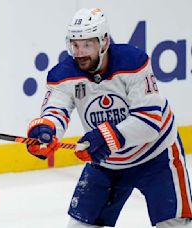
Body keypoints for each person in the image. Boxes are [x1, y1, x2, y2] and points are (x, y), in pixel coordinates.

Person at [26, 7, 192, 228]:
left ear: (104, 41)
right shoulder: (63, 74)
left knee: (175, 225)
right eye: (75, 44)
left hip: (156, 156)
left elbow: (150, 121)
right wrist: (46, 131)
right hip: (107, 163)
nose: (80, 52)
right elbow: (56, 111)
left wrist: (104, 137)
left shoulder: (132, 62)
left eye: (87, 44)